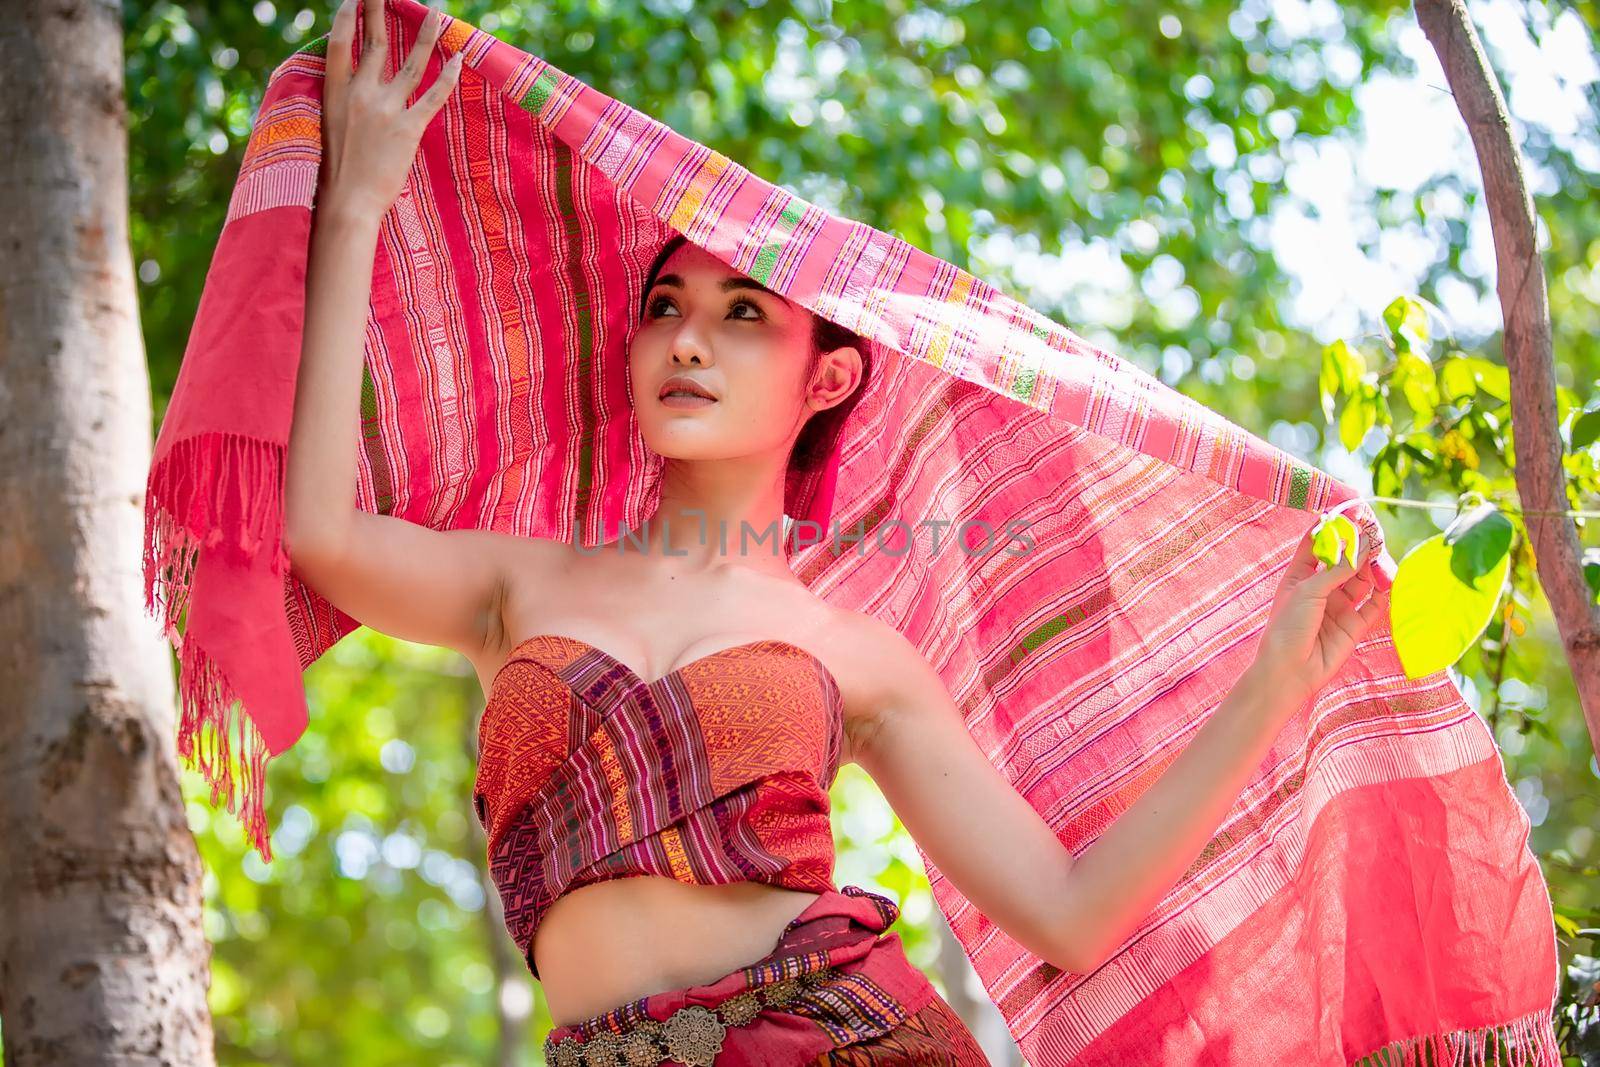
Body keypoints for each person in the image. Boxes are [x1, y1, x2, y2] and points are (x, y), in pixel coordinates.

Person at [281, 1, 1384, 1062]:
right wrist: (357, 203)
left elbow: (1069, 913)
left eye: (742, 312)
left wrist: (1280, 676)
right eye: (665, 306)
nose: (689, 340)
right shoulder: (516, 583)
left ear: (831, 376)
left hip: (840, 1044)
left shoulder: (857, 656)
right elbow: (319, 531)